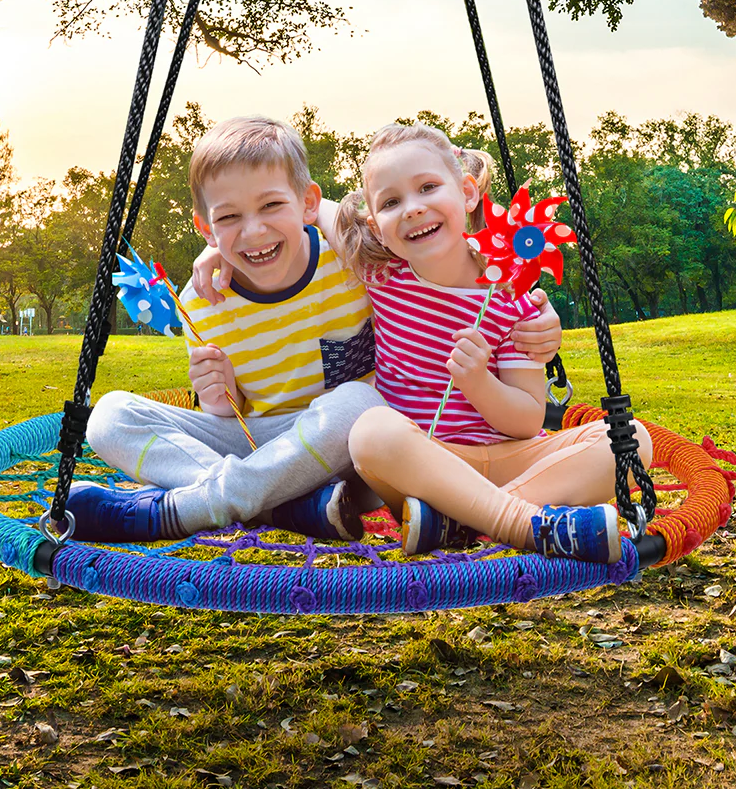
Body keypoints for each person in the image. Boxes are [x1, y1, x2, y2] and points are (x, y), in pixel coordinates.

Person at [71, 116, 562, 545]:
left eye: (270, 207)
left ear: (307, 204)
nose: (255, 231)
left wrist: (535, 311)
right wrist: (219, 396)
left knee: (359, 403)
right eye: (230, 218)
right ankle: (277, 508)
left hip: (343, 444)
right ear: (206, 228)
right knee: (110, 417)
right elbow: (233, 413)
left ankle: (193, 507)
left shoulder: (350, 260)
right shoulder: (201, 300)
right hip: (264, 443)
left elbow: (453, 269)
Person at [328, 122, 653, 563]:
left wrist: (477, 381)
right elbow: (304, 206)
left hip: (510, 457)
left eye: (427, 187)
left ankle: (463, 521)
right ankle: (521, 523)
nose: (412, 208)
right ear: (375, 226)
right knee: (370, 431)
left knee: (630, 439)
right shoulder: (381, 275)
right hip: (424, 464)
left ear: (466, 193)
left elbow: (524, 420)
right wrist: (215, 249)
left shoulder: (511, 293)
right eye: (390, 202)